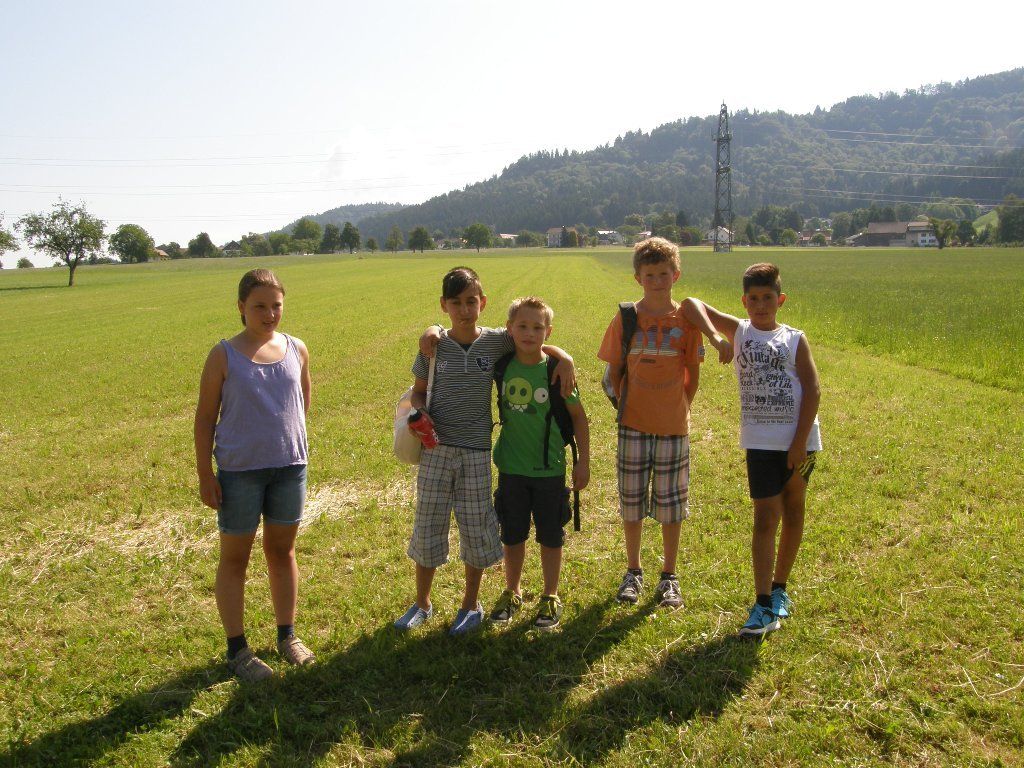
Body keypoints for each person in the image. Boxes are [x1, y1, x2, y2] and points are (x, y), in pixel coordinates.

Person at [396, 267, 576, 635]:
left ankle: (470, 604)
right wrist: (419, 412)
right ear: (444, 305)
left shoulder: (496, 341)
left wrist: (565, 357)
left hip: (476, 451)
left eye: (471, 302)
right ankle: (422, 603)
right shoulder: (433, 346)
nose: (464, 310)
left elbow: (533, 339)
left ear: (483, 303)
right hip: (436, 449)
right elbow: (418, 391)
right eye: (456, 303)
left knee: (476, 527)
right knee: (428, 524)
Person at [194, 269, 315, 681]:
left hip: (289, 468)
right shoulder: (223, 355)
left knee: (282, 552)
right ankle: (238, 650)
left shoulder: (297, 349)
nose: (269, 314)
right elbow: (205, 418)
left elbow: (302, 403)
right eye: (259, 306)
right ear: (241, 307)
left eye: (276, 306)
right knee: (235, 559)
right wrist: (205, 474)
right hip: (239, 473)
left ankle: (287, 636)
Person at [598, 237, 731, 608]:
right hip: (633, 425)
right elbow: (614, 371)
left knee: (671, 504)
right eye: (649, 275)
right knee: (632, 501)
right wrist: (631, 407)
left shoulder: (687, 322)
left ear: (676, 275)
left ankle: (669, 576)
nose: (657, 281)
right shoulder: (626, 317)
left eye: (664, 274)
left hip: (674, 426)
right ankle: (633, 571)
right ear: (638, 278)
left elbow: (692, 376)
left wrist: (678, 408)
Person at [692, 262, 821, 636]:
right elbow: (690, 304)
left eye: (768, 298)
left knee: (793, 510)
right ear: (744, 302)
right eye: (753, 299)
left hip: (799, 443)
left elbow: (813, 390)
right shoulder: (741, 332)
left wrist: (798, 444)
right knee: (765, 518)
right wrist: (715, 337)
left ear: (781, 299)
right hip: (760, 443)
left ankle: (780, 590)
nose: (761, 305)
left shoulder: (794, 339)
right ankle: (763, 604)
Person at [489, 297, 590, 631]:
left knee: (550, 535)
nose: (529, 333)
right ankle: (512, 591)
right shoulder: (502, 366)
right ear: (510, 329)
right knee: (512, 533)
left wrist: (583, 463)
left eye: (537, 327)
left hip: (550, 470)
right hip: (511, 469)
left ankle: (550, 594)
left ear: (549, 331)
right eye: (522, 326)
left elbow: (579, 418)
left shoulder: (557, 372)